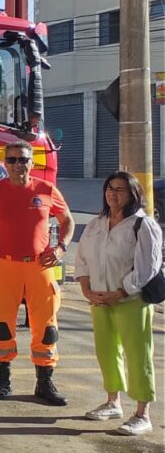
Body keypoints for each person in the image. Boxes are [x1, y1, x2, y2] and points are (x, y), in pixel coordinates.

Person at [0, 140, 74, 406]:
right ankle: (2, 380)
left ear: (32, 162)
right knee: (2, 325)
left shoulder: (46, 189)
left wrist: (61, 248)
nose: (18, 164)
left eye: (23, 159)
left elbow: (68, 221)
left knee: (46, 326)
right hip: (4, 266)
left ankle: (44, 382)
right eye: (13, 160)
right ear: (5, 164)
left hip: (40, 266)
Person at [77, 172, 159, 435]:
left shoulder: (142, 224)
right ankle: (113, 402)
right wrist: (86, 287)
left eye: (120, 189)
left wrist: (123, 291)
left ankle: (141, 414)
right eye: (110, 188)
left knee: (138, 355)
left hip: (130, 300)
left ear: (132, 193)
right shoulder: (97, 223)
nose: (113, 194)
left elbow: (149, 265)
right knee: (106, 351)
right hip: (100, 299)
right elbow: (82, 258)